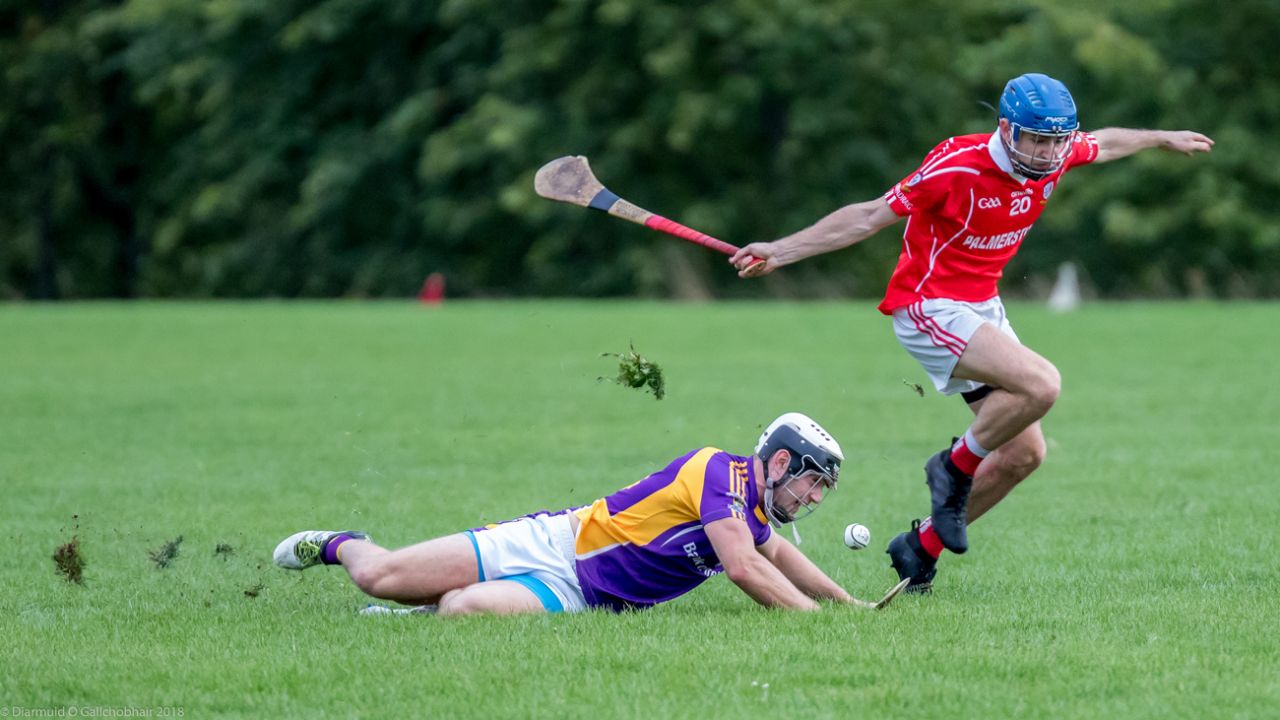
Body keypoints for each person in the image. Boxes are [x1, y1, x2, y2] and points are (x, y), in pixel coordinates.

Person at [729, 72, 1214, 593]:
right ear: (1006, 129)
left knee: (1026, 453)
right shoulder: (956, 165)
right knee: (1042, 384)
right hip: (927, 304)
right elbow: (869, 216)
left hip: (981, 308)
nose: (1052, 155)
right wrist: (781, 250)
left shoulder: (1055, 153)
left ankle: (919, 548)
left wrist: (1162, 138)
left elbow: (1108, 141)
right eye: (1039, 141)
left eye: (1060, 142)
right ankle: (952, 468)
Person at [274, 412, 878, 615]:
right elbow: (747, 569)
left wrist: (847, 605)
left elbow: (779, 555)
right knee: (382, 579)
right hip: (554, 546)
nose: (815, 498)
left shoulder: (753, 515)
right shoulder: (716, 471)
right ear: (776, 463)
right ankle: (340, 542)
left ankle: (414, 611)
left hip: (583, 596)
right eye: (811, 482)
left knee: (463, 609)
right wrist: (814, 619)